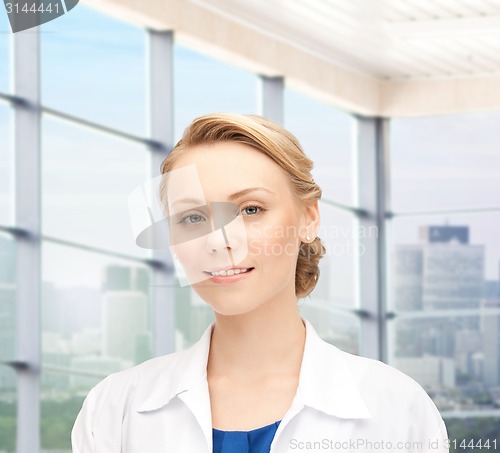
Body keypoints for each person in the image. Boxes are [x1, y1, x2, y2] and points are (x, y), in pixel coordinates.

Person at [71, 113, 449, 453]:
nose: (220, 240)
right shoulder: (115, 408)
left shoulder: (397, 408)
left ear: (308, 218)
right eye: (192, 219)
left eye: (251, 210)